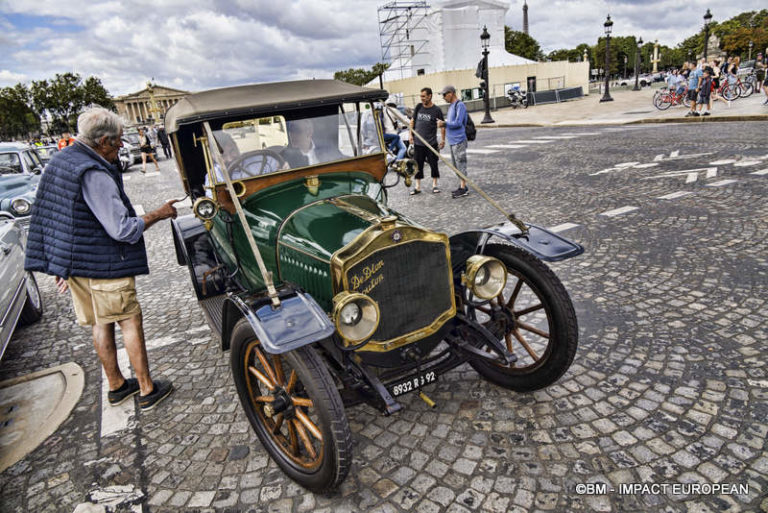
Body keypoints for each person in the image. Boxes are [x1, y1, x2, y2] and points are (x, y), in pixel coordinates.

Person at [25, 107, 179, 411]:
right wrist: (159, 214)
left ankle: (117, 385)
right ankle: (147, 389)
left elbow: (55, 216)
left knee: (100, 322)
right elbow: (122, 229)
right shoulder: (94, 172)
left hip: (77, 264)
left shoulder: (60, 160)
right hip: (103, 263)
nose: (122, 146)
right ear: (104, 141)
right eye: (119, 141)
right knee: (129, 320)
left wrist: (60, 263)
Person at [409, 87, 445, 195]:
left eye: (424, 96)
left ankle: (434, 185)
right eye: (421, 96)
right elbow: (412, 121)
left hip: (431, 143)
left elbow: (442, 126)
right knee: (418, 165)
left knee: (434, 164)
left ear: (430, 96)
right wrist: (411, 135)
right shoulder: (419, 107)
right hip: (418, 143)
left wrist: (443, 140)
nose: (422, 98)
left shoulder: (436, 110)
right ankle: (417, 187)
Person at [438, 85, 469, 198]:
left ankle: (463, 188)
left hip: (459, 140)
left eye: (444, 95)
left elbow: (459, 123)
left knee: (461, 163)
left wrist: (445, 124)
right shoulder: (451, 106)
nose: (443, 97)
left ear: (451, 93)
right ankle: (462, 186)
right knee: (456, 165)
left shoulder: (459, 105)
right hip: (452, 141)